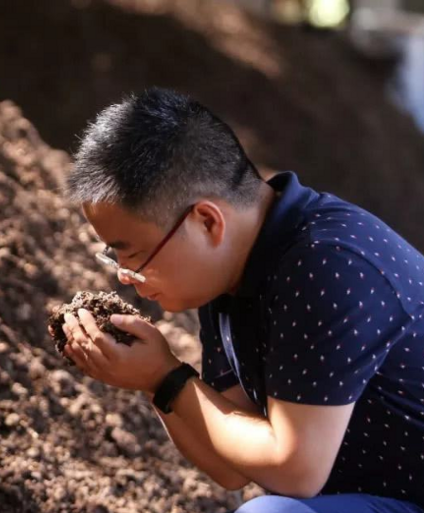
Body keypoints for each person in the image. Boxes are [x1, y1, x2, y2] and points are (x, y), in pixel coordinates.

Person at [60, 88, 424, 513]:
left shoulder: (326, 264)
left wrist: (166, 379)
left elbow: (294, 470)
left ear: (207, 222)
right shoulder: (233, 274)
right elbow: (231, 465)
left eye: (134, 253)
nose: (123, 274)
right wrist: (152, 380)